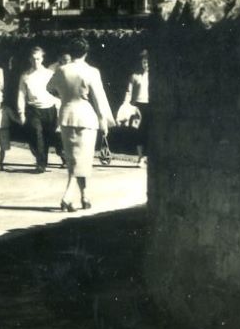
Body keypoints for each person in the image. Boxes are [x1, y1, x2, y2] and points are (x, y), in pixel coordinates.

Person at [47, 37, 114, 211]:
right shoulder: (91, 71)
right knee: (82, 159)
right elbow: (99, 99)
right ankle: (68, 197)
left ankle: (85, 196)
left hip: (66, 115)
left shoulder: (61, 70)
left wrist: (62, 96)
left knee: (74, 159)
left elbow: (49, 87)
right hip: (86, 116)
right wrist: (104, 121)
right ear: (86, 52)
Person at [15, 45, 60, 173]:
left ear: (43, 59)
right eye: (33, 59)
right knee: (36, 134)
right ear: (30, 59)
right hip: (33, 110)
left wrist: (59, 107)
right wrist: (21, 113)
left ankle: (43, 161)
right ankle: (40, 163)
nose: (36, 62)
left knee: (46, 137)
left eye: (38, 59)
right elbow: (21, 94)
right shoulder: (25, 76)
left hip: (50, 109)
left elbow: (57, 93)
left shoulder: (50, 74)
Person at [122, 52, 151, 166]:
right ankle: (140, 158)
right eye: (144, 62)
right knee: (138, 132)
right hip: (137, 107)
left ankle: (147, 157)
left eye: (148, 62)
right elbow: (128, 91)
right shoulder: (134, 76)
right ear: (141, 62)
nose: (146, 64)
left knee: (149, 132)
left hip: (150, 106)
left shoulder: (153, 76)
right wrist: (125, 103)